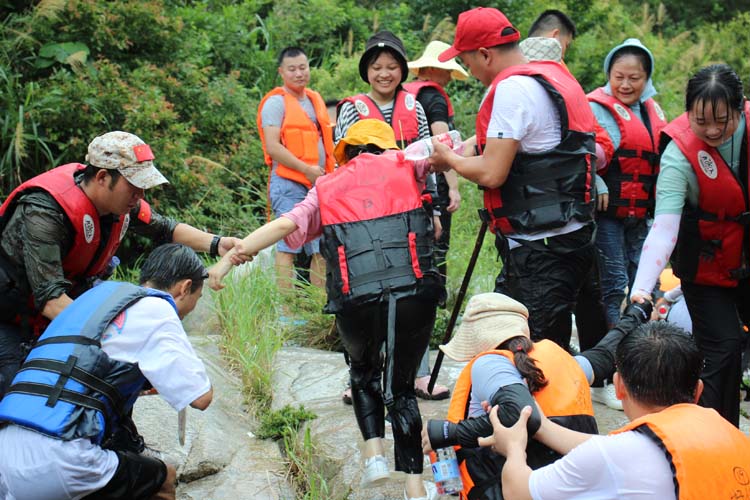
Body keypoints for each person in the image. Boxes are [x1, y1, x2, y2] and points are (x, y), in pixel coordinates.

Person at [210, 119, 446, 500]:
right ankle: (416, 488)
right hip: (413, 293)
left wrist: (227, 261)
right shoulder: (408, 163)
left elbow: (284, 225)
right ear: (385, 147)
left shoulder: (326, 187)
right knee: (400, 388)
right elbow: (452, 146)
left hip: (356, 299)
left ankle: (374, 458)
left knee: (363, 370)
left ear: (346, 152)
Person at [0, 131, 237, 399]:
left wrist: (218, 244)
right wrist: (118, 342)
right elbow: (51, 300)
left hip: (62, 312)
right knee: (18, 396)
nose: (140, 194)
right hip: (11, 317)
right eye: (134, 186)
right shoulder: (44, 213)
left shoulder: (121, 204)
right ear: (102, 177)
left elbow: (164, 229)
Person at [430, 7, 597, 351]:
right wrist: (464, 149)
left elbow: (492, 173)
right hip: (569, 238)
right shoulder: (551, 76)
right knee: (547, 346)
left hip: (541, 250)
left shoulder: (512, 90)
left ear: (485, 54)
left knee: (533, 356)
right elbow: (535, 146)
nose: (468, 69)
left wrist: (450, 159)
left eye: (466, 59)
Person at [0, 243, 213, 500]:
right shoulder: (159, 309)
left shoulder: (96, 298)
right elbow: (201, 398)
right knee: (163, 479)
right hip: (59, 460)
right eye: (196, 300)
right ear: (185, 287)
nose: (190, 311)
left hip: (8, 447)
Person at [479, 321, 750, 500]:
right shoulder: (731, 435)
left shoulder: (613, 457)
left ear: (618, 387)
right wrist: (544, 428)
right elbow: (618, 449)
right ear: (699, 391)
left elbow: (517, 490)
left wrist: (513, 447)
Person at [420, 292, 650, 499]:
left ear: (476, 339)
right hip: (568, 484)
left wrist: (451, 433)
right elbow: (606, 352)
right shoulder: (561, 362)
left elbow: (521, 413)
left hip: (510, 486)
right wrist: (637, 313)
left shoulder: (488, 363)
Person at [630, 64, 750, 427]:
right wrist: (640, 290)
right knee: (723, 348)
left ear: (740, 107)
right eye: (701, 121)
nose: (712, 130)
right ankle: (712, 434)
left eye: (722, 120)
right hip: (706, 266)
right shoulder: (678, 154)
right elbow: (664, 229)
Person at [335, 30, 445, 403]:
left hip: (410, 210)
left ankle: (418, 373)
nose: (385, 73)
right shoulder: (352, 108)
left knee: (419, 289)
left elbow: (428, 161)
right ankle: (362, 374)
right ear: (367, 71)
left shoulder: (415, 106)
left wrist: (433, 207)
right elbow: (342, 164)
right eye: (377, 67)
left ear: (402, 69)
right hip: (363, 212)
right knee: (364, 291)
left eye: (393, 66)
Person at [520, 11, 614, 409]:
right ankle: (551, 389)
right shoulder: (524, 83)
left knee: (587, 294)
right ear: (558, 38)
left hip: (571, 213)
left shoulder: (561, 81)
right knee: (547, 307)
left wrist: (592, 167)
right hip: (537, 222)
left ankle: (591, 378)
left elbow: (601, 141)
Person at [403, 39, 469, 401]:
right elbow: (444, 146)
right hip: (432, 189)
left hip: (406, 189)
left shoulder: (407, 97)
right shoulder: (435, 98)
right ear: (437, 71)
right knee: (431, 270)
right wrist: (453, 189)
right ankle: (423, 361)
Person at [588, 38, 667, 332]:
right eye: (618, 77)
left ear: (646, 79)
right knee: (616, 286)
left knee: (648, 284)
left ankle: (647, 350)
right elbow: (578, 152)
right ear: (609, 74)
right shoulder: (593, 107)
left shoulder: (653, 112)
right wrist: (595, 179)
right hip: (608, 215)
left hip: (643, 215)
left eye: (634, 78)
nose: (625, 85)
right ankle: (620, 355)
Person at [257, 46, 335, 292]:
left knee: (320, 247)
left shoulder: (314, 99)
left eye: (303, 67)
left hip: (318, 183)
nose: (299, 73)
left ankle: (317, 307)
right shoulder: (275, 103)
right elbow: (272, 147)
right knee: (287, 246)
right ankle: (286, 311)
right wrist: (306, 169)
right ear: (282, 72)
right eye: (292, 69)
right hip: (288, 182)